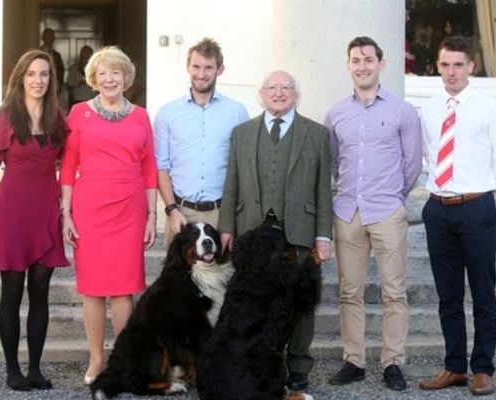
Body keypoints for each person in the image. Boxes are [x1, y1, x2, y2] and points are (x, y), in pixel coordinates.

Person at [217, 69, 332, 394]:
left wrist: (324, 235)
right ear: (261, 94)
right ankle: (260, 365)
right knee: (256, 304)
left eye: (286, 88)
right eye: (272, 88)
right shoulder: (242, 133)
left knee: (299, 304)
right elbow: (232, 184)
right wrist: (227, 226)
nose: (279, 93)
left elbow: (324, 189)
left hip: (298, 232)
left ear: (295, 95)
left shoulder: (316, 133)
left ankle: (297, 369)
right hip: (252, 234)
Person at [418, 36, 496, 396]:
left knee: (483, 293)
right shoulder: (428, 109)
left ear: (472, 66)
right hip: (438, 209)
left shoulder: (489, 108)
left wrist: (481, 200)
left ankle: (483, 369)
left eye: (458, 64)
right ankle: (454, 366)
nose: (451, 72)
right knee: (448, 296)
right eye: (445, 65)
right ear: (437, 67)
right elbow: (429, 155)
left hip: (476, 209)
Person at [324, 36, 422, 391]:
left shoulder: (402, 111)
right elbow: (334, 162)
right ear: (348, 66)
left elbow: (412, 165)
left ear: (381, 63)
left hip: (386, 211)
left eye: (368, 59)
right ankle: (354, 360)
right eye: (355, 60)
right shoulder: (336, 113)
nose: (362, 65)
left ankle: (393, 362)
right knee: (350, 291)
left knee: (393, 291)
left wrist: (394, 197)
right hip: (347, 211)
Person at [59, 46, 158, 385]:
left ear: (125, 77)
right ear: (93, 79)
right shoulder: (77, 113)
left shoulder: (142, 116)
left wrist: (152, 216)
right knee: (91, 288)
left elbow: (149, 168)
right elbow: (69, 166)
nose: (109, 78)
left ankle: (123, 360)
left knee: (124, 289)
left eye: (115, 72)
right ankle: (97, 359)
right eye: (103, 73)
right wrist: (66, 213)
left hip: (129, 209)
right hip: (89, 209)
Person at [0, 49, 69, 391]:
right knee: (12, 293)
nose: (38, 80)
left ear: (51, 80)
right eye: (31, 74)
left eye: (44, 74)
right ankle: (12, 370)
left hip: (46, 212)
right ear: (21, 77)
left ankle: (35, 369)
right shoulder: (5, 117)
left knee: (41, 292)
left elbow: (69, 163)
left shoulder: (58, 118)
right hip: (12, 214)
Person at [154, 37, 249, 247]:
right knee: (178, 279)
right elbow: (161, 166)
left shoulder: (237, 112)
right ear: (188, 67)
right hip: (181, 213)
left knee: (224, 277)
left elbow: (245, 167)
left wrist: (232, 218)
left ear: (220, 69)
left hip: (221, 214)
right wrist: (171, 210)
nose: (201, 73)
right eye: (196, 66)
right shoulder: (168, 113)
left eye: (208, 67)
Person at [40, 28, 65, 93]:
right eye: (48, 37)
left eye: (52, 37)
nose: (50, 40)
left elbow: (61, 72)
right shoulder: (37, 53)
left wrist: (59, 85)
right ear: (43, 38)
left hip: (54, 88)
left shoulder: (57, 55)